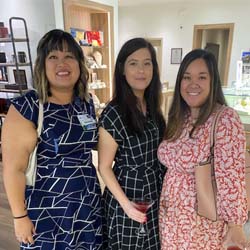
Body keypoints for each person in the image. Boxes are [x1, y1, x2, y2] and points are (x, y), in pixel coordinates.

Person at [2, 29, 104, 249]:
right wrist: (19, 218)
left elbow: (90, 142)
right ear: (42, 65)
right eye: (53, 57)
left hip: (87, 206)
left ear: (79, 63)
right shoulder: (27, 107)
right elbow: (13, 169)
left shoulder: (84, 102)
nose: (62, 64)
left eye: (69, 57)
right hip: (47, 211)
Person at [158, 48, 249, 249]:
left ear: (212, 82)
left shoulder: (224, 118)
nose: (193, 84)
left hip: (200, 224)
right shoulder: (179, 117)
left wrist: (235, 223)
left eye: (202, 77)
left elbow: (231, 175)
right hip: (170, 220)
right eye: (187, 77)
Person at [97, 37, 166, 249]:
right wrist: (126, 206)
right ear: (122, 69)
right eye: (133, 63)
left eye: (147, 63)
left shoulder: (153, 106)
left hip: (154, 192)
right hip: (127, 196)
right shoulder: (114, 113)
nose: (141, 70)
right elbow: (104, 167)